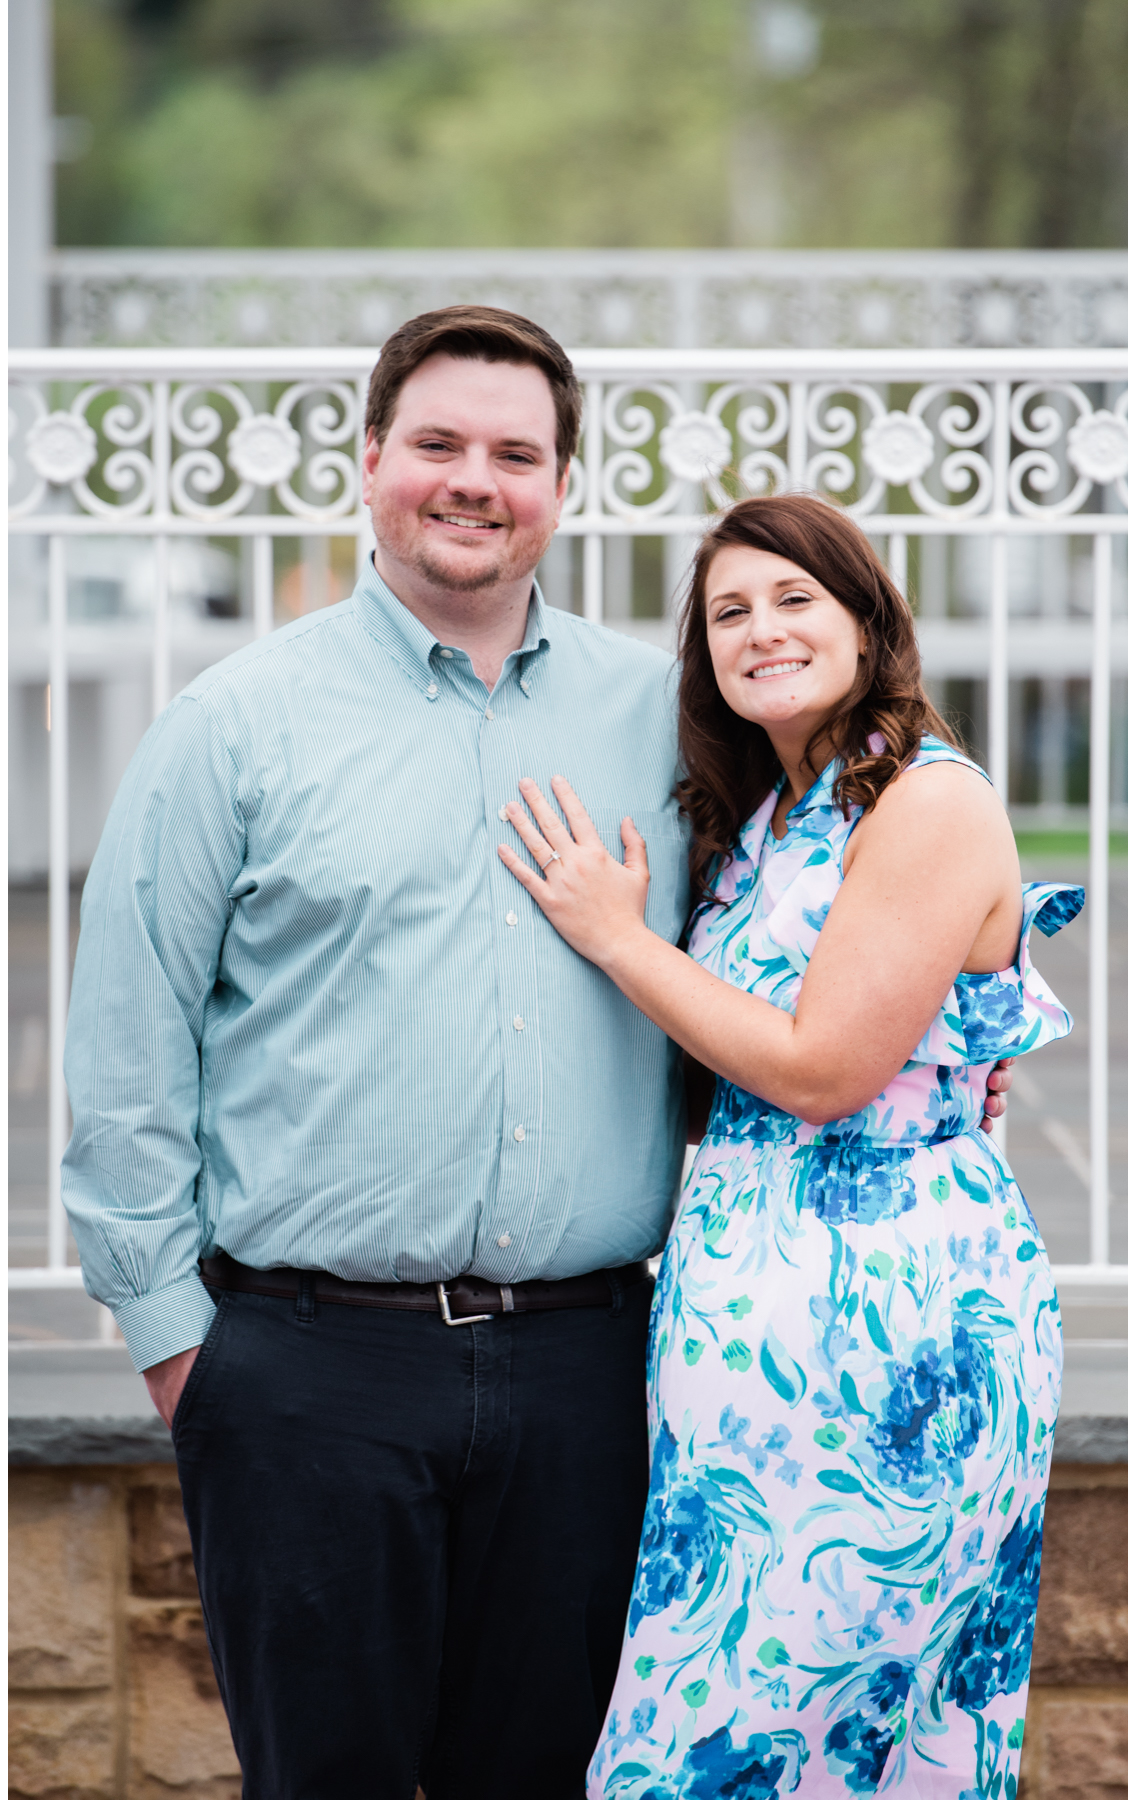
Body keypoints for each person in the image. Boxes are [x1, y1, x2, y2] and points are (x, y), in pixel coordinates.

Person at [56, 305, 1011, 1794]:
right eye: (437, 444)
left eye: (516, 452)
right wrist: (183, 1350)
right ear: (370, 461)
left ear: (564, 484)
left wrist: (950, 1068)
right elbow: (124, 1058)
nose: (473, 479)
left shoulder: (671, 719)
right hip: (309, 1374)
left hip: (591, 1374)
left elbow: (827, 925)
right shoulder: (231, 727)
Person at [493, 493, 1074, 1798]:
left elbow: (820, 1071)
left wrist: (617, 933)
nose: (761, 631)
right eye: (728, 613)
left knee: (817, 1703)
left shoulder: (924, 801)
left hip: (889, 1328)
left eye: (794, 598)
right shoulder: (765, 818)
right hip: (743, 1306)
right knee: (727, 1688)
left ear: (867, 617)